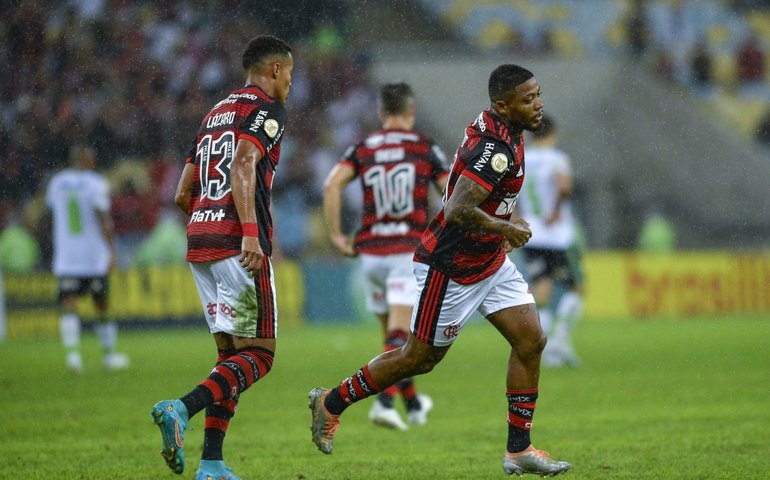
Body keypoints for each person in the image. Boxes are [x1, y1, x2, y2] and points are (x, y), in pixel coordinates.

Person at [308, 64, 571, 477]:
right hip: (450, 268)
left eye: (538, 95)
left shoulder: (505, 131)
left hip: (490, 261)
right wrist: (506, 226)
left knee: (531, 339)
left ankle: (518, 449)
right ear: (503, 106)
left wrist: (501, 225)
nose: (539, 105)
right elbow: (456, 210)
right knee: (419, 358)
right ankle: (331, 402)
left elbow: (485, 196)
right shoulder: (495, 150)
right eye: (529, 99)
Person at [150, 35, 293, 480]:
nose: (291, 82)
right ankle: (181, 408)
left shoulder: (214, 113)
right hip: (238, 244)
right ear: (273, 69)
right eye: (290, 72)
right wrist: (249, 233)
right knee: (260, 356)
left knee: (230, 359)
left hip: (201, 242)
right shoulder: (266, 109)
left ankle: (211, 463)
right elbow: (244, 163)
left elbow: (181, 192)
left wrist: (207, 219)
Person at [322, 82, 449, 431]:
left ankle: (412, 402)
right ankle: (383, 403)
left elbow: (332, 185)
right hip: (406, 252)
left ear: (380, 113)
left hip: (370, 255)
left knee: (392, 342)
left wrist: (336, 234)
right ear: (411, 111)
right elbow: (450, 192)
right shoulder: (423, 147)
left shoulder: (363, 147)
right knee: (403, 339)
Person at [44, 144, 129, 374]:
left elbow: (52, 212)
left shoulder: (57, 182)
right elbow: (102, 218)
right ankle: (109, 356)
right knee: (101, 304)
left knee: (69, 303)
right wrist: (112, 251)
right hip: (93, 256)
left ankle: (73, 357)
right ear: (90, 161)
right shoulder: (95, 183)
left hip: (67, 256)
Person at [516, 115, 583, 368]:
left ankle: (542, 347)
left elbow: (512, 192)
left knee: (541, 290)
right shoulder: (557, 158)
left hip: (532, 233)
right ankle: (560, 341)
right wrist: (556, 208)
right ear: (553, 133)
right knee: (576, 288)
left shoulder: (522, 159)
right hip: (557, 235)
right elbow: (564, 187)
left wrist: (519, 215)